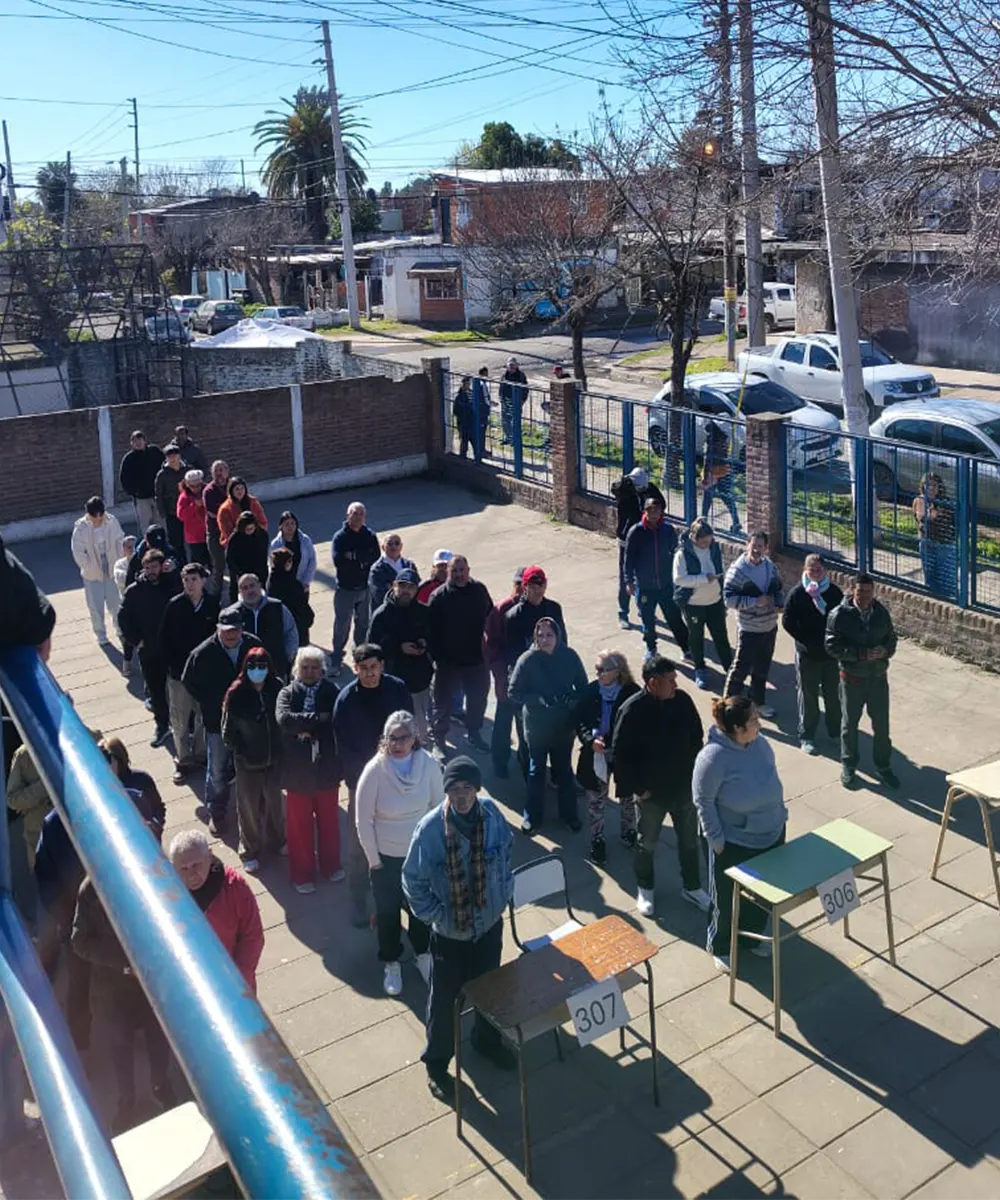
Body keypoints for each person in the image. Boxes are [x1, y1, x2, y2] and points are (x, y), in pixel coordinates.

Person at [402, 756, 516, 1102]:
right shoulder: (430, 830)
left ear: (477, 789)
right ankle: (436, 1064)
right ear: (446, 790)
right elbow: (412, 881)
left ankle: (486, 1041)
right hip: (451, 936)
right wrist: (437, 916)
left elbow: (508, 850)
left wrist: (503, 891)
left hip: (488, 928)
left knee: (489, 990)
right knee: (444, 1003)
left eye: (468, 787)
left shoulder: (492, 814)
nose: (462, 795)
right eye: (454, 788)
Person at [611, 654, 708, 918]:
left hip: (683, 789)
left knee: (689, 842)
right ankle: (645, 888)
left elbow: (696, 738)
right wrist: (638, 789)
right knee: (648, 843)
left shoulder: (683, 701)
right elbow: (620, 755)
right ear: (653, 683)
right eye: (670, 680)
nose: (675, 684)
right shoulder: (632, 710)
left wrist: (695, 775)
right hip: (651, 794)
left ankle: (692, 886)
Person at [694, 697, 787, 971]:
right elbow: (703, 802)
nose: (759, 724)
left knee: (761, 895)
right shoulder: (712, 758)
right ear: (737, 728)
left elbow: (771, 775)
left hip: (770, 835)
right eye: (754, 721)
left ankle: (750, 938)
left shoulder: (761, 744)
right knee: (725, 899)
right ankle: (719, 945)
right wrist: (717, 842)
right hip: (734, 843)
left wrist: (780, 814)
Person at [356, 711, 444, 995]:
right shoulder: (375, 771)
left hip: (420, 857)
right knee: (387, 913)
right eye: (391, 738)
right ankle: (391, 961)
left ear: (414, 738)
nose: (397, 744)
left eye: (403, 738)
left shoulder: (428, 765)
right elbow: (363, 820)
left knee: (421, 910)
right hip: (386, 860)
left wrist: (434, 850)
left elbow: (438, 807)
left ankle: (422, 954)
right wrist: (374, 860)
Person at [333, 644, 412, 926]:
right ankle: (358, 898)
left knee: (399, 835)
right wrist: (366, 777)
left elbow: (409, 730)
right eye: (363, 668)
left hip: (399, 776)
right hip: (363, 782)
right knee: (359, 844)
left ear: (382, 665)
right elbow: (343, 747)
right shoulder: (346, 700)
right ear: (356, 669)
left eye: (374, 667)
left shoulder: (398, 689)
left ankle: (401, 893)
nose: (369, 673)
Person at [182, 611, 262, 835]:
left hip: (249, 720)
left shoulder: (254, 646)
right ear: (218, 629)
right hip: (217, 722)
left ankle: (257, 805)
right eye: (226, 631)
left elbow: (267, 671)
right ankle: (217, 812)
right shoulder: (202, 653)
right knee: (216, 768)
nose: (231, 635)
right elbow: (189, 681)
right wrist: (211, 702)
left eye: (236, 630)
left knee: (253, 763)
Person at [508, 616, 587, 835]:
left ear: (558, 636)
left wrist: (569, 700)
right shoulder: (527, 659)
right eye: (540, 635)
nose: (544, 639)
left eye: (549, 635)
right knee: (536, 772)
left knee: (564, 773)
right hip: (537, 728)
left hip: (563, 728)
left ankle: (569, 815)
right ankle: (532, 817)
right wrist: (539, 699)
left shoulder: (569, 656)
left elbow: (583, 687)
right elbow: (513, 692)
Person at [276, 647, 343, 894]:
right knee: (299, 827)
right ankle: (302, 875)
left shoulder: (331, 691)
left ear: (322, 670)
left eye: (315, 667)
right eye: (305, 667)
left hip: (326, 770)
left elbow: (337, 720)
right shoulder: (286, 692)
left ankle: (331, 866)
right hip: (297, 772)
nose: (310, 672)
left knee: (329, 824)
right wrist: (318, 720)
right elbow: (284, 720)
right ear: (297, 670)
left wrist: (305, 725)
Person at [167, 830, 264, 993]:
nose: (191, 875)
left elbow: (252, 936)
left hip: (230, 980)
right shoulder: (165, 895)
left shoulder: (234, 887)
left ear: (210, 857)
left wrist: (240, 979)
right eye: (183, 869)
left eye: (196, 865)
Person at [826, 573, 899, 790]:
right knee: (849, 725)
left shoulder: (880, 613)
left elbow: (892, 638)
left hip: (877, 679)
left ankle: (883, 766)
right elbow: (831, 646)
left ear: (873, 591)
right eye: (860, 591)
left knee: (882, 726)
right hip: (852, 679)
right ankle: (848, 765)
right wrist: (861, 654)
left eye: (868, 591)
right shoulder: (839, 615)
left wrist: (885, 651)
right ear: (852, 590)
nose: (865, 595)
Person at [574, 650, 640, 866]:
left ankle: (629, 831)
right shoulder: (591, 691)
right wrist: (589, 741)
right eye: (597, 669)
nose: (598, 673)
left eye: (603, 669)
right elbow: (580, 721)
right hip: (596, 754)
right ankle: (597, 839)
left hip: (623, 755)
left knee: (628, 797)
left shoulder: (632, 693)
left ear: (618, 671)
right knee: (596, 800)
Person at [222, 647, 284, 873]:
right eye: (252, 667)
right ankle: (249, 850)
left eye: (262, 667)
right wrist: (242, 752)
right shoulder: (236, 694)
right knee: (248, 808)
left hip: (274, 759)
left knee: (276, 804)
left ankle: (278, 841)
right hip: (248, 763)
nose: (257, 671)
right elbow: (227, 733)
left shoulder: (277, 687)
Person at [159, 562, 220, 785]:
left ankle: (201, 756)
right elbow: (163, 640)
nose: (190, 584)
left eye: (194, 579)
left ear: (203, 580)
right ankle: (184, 760)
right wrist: (168, 669)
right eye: (186, 580)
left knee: (204, 717)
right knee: (180, 719)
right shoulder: (174, 606)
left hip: (204, 675)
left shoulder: (212, 605)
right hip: (179, 676)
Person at [426, 555, 493, 756]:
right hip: (447, 662)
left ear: (468, 570)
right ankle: (439, 740)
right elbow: (429, 631)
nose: (458, 574)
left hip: (476, 660)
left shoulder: (479, 591)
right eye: (454, 571)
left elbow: (490, 617)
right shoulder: (438, 597)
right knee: (442, 703)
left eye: (462, 570)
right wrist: (437, 657)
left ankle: (474, 733)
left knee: (477, 699)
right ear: (448, 572)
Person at [117, 549, 182, 748]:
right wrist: (136, 640)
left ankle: (184, 727)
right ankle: (162, 726)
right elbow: (123, 619)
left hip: (173, 650)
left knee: (179, 690)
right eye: (147, 567)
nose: (151, 571)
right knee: (155, 691)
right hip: (149, 652)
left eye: (154, 567)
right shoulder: (134, 591)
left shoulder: (171, 586)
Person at [782, 553, 843, 755]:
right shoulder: (798, 594)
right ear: (805, 570)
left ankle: (835, 733)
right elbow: (788, 621)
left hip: (830, 656)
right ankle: (807, 736)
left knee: (833, 696)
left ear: (825, 571)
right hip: (808, 655)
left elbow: (842, 619)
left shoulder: (834, 593)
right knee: (808, 697)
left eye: (819, 569)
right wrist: (805, 640)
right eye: (811, 569)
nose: (815, 573)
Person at [723, 531, 784, 719]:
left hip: (769, 626)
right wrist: (754, 602)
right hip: (749, 628)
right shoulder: (738, 570)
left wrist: (779, 603)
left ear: (766, 548)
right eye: (754, 545)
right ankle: (727, 705)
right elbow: (728, 599)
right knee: (741, 668)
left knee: (762, 668)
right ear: (747, 544)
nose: (757, 549)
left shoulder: (770, 566)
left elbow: (778, 588)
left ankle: (757, 703)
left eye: (760, 546)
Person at [368, 568, 433, 741]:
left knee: (420, 727)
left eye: (410, 587)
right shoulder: (381, 615)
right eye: (402, 585)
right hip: (392, 679)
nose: (406, 590)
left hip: (419, 680)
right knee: (393, 726)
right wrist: (398, 648)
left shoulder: (423, 612)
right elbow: (372, 648)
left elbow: (434, 635)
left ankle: (420, 752)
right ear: (394, 586)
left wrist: (425, 643)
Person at [624, 497, 690, 662]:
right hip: (645, 586)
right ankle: (651, 649)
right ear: (644, 511)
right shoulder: (636, 531)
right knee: (648, 620)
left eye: (657, 510)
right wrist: (629, 581)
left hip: (666, 585)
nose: (654, 514)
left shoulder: (667, 530)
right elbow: (629, 558)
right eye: (650, 510)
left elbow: (676, 554)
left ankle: (687, 649)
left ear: (661, 511)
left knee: (675, 618)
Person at [673, 518, 733, 690]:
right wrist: (703, 579)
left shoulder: (714, 548)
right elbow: (679, 579)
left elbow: (718, 567)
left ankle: (730, 669)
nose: (707, 544)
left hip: (714, 601)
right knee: (696, 637)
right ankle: (700, 668)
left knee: (721, 636)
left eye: (709, 540)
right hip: (694, 603)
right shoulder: (682, 554)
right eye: (704, 541)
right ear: (693, 538)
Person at [612, 467, 666, 630]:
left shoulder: (649, 489)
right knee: (626, 577)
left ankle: (644, 609)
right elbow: (619, 495)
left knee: (645, 576)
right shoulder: (625, 493)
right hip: (626, 540)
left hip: (646, 538)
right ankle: (623, 612)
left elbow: (662, 503)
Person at [485, 567, 526, 779]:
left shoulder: (537, 607)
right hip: (507, 678)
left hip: (529, 680)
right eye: (518, 584)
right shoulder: (502, 609)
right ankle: (499, 761)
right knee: (503, 722)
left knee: (526, 723)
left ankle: (524, 759)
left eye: (525, 585)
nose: (522, 589)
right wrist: (500, 674)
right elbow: (490, 644)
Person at [331, 502, 380, 669]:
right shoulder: (340, 537)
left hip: (365, 588)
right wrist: (361, 558)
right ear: (347, 515)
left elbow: (376, 557)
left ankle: (360, 654)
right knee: (342, 625)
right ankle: (337, 654)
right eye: (354, 513)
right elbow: (338, 560)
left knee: (363, 624)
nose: (357, 517)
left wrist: (353, 556)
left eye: (361, 514)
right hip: (345, 589)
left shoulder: (370, 535)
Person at [71, 496, 125, 646]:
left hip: (111, 565)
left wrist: (120, 557)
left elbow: (119, 539)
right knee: (95, 605)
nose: (99, 519)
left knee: (115, 602)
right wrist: (88, 566)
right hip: (92, 571)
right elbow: (78, 551)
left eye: (101, 515)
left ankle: (120, 628)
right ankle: (100, 634)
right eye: (95, 517)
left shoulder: (111, 521)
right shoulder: (81, 527)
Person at [225, 573, 298, 680]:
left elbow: (291, 632)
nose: (250, 590)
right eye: (245, 588)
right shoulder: (233, 613)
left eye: (252, 585)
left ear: (259, 585)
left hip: (276, 669)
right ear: (240, 591)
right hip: (244, 673)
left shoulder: (278, 607)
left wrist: (287, 657)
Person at [503, 564, 567, 670]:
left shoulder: (554, 609)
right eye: (533, 586)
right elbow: (512, 655)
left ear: (546, 584)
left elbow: (562, 641)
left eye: (540, 585)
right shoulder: (513, 616)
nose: (537, 590)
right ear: (525, 586)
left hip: (553, 668)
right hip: (528, 673)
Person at [913, 472, 956, 600]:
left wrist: (931, 513)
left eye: (934, 485)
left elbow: (947, 521)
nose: (931, 488)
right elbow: (921, 517)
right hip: (927, 542)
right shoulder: (919, 500)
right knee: (930, 579)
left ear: (939, 487)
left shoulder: (946, 502)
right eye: (927, 485)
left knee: (946, 581)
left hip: (945, 545)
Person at [268, 548, 314, 648]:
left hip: (280, 629)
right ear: (286, 563)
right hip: (297, 629)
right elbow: (303, 607)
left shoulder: (271, 580)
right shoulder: (293, 584)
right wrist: (309, 619)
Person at [700, 421, 742, 533]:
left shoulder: (710, 443)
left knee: (707, 499)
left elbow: (707, 460)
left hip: (712, 473)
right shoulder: (723, 439)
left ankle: (703, 520)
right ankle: (736, 522)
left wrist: (704, 477)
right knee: (728, 499)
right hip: (724, 472)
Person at [119, 430, 163, 533]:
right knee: (145, 525)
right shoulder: (128, 459)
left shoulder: (155, 451)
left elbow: (164, 467)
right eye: (135, 441)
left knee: (161, 522)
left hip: (157, 494)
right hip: (141, 498)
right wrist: (134, 492)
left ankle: (162, 545)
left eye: (140, 440)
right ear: (131, 444)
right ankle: (148, 546)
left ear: (145, 441)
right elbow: (124, 479)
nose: (138, 443)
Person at [226, 511, 270, 602]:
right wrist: (239, 574)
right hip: (240, 572)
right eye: (247, 529)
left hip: (258, 571)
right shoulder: (235, 539)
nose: (249, 531)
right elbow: (230, 559)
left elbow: (263, 556)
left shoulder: (262, 535)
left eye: (251, 528)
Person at [270, 511, 317, 595]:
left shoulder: (305, 540)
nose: (290, 526)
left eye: (292, 523)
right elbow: (272, 566)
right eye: (287, 524)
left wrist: (306, 581)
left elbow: (312, 560)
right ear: (281, 526)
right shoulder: (276, 544)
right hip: (284, 587)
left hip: (302, 584)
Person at [202, 460, 231, 597]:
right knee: (218, 567)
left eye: (222, 470)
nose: (219, 473)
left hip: (234, 532)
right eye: (216, 470)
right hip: (216, 533)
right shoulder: (209, 491)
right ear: (212, 473)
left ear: (227, 471)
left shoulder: (233, 485)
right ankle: (216, 597)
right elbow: (212, 512)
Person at [368, 533, 416, 614]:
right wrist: (406, 594)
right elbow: (379, 595)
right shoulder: (376, 569)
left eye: (397, 543)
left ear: (401, 546)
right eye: (390, 544)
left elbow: (417, 588)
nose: (393, 547)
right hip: (386, 614)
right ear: (383, 547)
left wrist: (392, 588)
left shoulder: (409, 565)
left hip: (408, 612)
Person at [155, 444, 188, 559]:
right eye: (170, 456)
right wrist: (162, 511)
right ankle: (181, 563)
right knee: (176, 541)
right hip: (172, 511)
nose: (173, 459)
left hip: (189, 510)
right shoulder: (162, 475)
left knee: (194, 539)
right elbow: (159, 495)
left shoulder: (187, 470)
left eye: (175, 455)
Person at [125, 523, 181, 589]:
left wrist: (173, 568)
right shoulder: (137, 557)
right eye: (153, 546)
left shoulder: (170, 552)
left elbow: (183, 571)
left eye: (159, 547)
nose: (156, 550)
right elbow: (130, 582)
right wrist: (144, 575)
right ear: (146, 540)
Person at [217, 477, 268, 547]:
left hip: (255, 541)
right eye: (237, 489)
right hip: (236, 545)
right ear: (231, 491)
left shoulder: (253, 502)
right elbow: (227, 532)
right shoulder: (225, 509)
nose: (240, 491)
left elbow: (263, 522)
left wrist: (254, 532)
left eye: (242, 488)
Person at [114, 535, 138, 677]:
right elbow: (122, 579)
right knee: (127, 635)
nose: (132, 549)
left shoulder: (142, 562)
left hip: (141, 603)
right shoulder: (119, 564)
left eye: (134, 546)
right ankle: (127, 661)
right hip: (127, 604)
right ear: (123, 549)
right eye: (128, 547)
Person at [177, 469, 210, 567]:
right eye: (192, 486)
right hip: (195, 536)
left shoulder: (208, 491)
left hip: (209, 532)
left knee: (213, 560)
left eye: (198, 486)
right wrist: (194, 505)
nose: (196, 489)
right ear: (187, 484)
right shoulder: (184, 497)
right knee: (197, 563)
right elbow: (181, 515)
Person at [453, 375, 488, 462]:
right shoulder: (459, 397)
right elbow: (456, 411)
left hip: (473, 423)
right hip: (464, 423)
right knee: (464, 442)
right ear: (463, 385)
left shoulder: (473, 394)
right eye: (466, 384)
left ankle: (478, 459)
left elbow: (479, 405)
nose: (468, 386)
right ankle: (462, 459)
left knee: (476, 442)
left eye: (469, 384)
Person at [499, 356, 527, 444]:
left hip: (516, 401)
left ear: (516, 365)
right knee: (505, 420)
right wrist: (501, 398)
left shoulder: (521, 375)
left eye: (513, 365)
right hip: (506, 401)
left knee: (515, 421)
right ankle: (508, 438)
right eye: (510, 365)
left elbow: (525, 389)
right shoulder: (504, 375)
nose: (511, 367)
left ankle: (516, 440)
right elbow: (501, 387)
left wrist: (522, 400)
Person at [471, 366, 492, 461]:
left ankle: (481, 449)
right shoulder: (483, 384)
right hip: (482, 411)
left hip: (478, 410)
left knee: (480, 431)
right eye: (486, 374)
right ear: (484, 374)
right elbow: (486, 397)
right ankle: (481, 450)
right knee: (482, 431)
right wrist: (491, 404)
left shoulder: (476, 383)